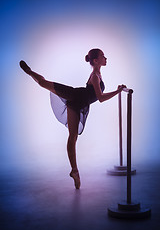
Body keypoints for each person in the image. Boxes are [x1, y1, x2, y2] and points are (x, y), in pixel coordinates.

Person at [19, 48, 126, 189]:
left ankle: (74, 171)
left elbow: (97, 95)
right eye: (102, 56)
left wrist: (117, 90)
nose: (105, 58)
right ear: (95, 60)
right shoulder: (95, 76)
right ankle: (29, 71)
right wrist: (118, 91)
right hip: (74, 95)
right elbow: (100, 98)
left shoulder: (98, 74)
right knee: (44, 84)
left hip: (79, 104)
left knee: (73, 136)